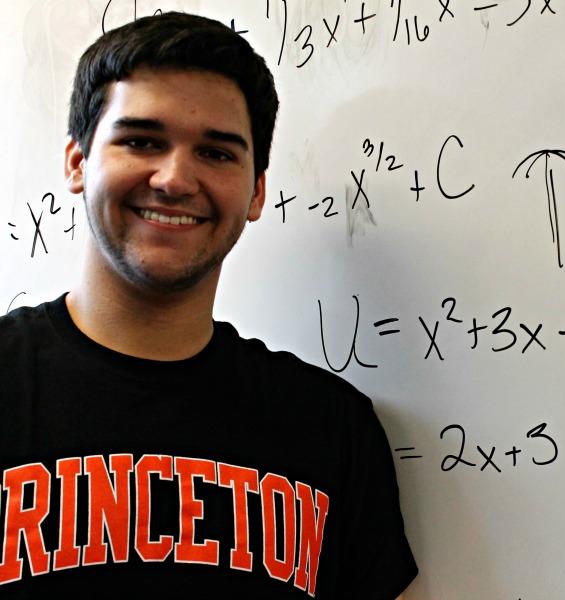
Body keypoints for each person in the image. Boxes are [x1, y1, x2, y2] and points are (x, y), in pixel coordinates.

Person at [0, 12, 417, 599]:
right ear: (77, 162)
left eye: (217, 153)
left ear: (255, 192)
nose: (174, 179)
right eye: (141, 140)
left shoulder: (331, 428)